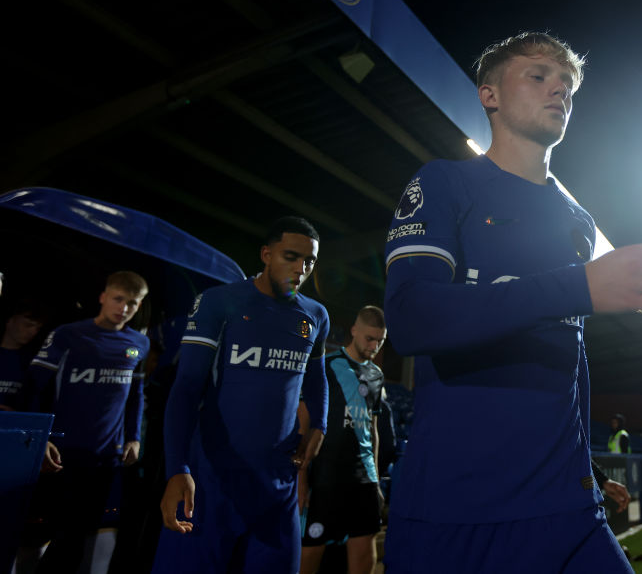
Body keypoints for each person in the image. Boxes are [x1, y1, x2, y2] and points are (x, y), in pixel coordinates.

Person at [382, 32, 642, 573]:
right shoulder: (445, 182)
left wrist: (583, 465)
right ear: (489, 95)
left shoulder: (578, 221)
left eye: (568, 86)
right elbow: (410, 319)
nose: (560, 92)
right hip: (458, 512)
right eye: (539, 76)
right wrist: (579, 287)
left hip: (568, 507)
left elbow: (565, 351)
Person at [153, 217, 329, 574]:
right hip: (214, 479)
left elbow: (316, 378)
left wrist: (320, 425)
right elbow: (186, 387)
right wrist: (176, 469)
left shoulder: (315, 315)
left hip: (276, 486)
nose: (301, 268)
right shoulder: (220, 302)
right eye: (291, 257)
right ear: (266, 254)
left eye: (309, 261)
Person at [20, 271, 150, 573]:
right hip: (57, 454)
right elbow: (34, 386)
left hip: (104, 459)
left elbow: (136, 394)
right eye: (119, 299)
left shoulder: (138, 343)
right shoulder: (69, 334)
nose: (124, 308)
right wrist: (41, 437)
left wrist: (134, 436)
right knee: (36, 535)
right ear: (103, 297)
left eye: (132, 303)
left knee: (76, 541)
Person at [298, 305, 387, 574]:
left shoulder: (377, 376)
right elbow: (304, 423)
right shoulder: (326, 366)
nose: (374, 346)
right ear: (354, 330)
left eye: (380, 341)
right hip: (327, 478)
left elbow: (372, 430)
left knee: (363, 554)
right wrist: (301, 479)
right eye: (369, 339)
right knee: (310, 552)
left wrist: (377, 482)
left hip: (364, 480)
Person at [0, 301, 46, 410]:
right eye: (28, 325)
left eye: (37, 328)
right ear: (10, 320)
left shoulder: (35, 362)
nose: (33, 332)